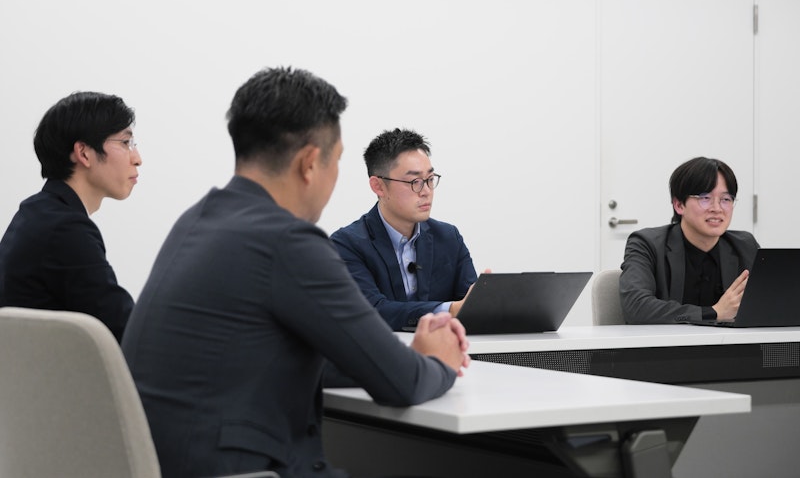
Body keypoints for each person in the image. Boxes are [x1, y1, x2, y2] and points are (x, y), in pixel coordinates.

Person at [121, 67, 469, 478]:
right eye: (336, 161)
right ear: (309, 163)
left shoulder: (197, 221)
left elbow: (310, 361)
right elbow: (403, 383)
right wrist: (438, 360)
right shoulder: (288, 241)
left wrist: (400, 359)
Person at [0, 92, 141, 342]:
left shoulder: (35, 213)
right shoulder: (66, 230)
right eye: (125, 142)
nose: (137, 159)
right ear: (84, 153)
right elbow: (128, 330)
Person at [330, 128, 478, 331]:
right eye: (415, 182)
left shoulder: (448, 238)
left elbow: (471, 307)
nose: (426, 191)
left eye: (430, 179)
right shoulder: (346, 244)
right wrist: (449, 310)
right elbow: (372, 310)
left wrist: (484, 298)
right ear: (378, 186)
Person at [620, 156, 760, 324]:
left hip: (729, 342)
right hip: (668, 340)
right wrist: (713, 313)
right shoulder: (647, 244)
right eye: (705, 198)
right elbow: (636, 308)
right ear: (679, 205)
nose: (717, 209)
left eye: (725, 199)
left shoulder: (745, 245)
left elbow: (772, 300)